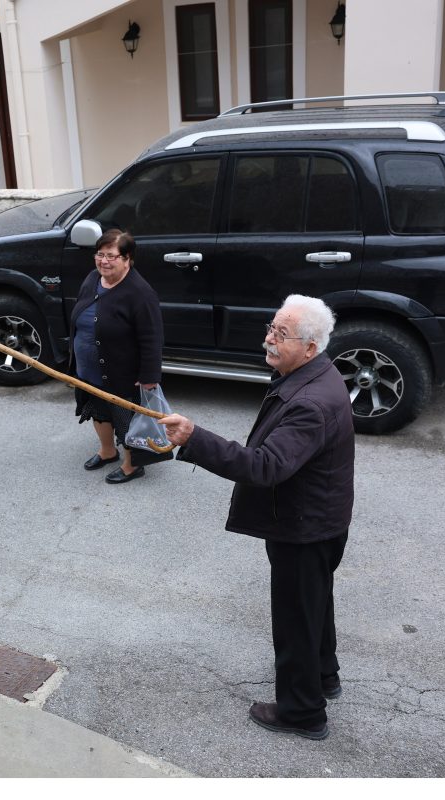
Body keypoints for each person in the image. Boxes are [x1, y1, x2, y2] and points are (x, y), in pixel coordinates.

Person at [157, 295, 354, 740]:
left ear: (310, 347)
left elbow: (265, 466)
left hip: (304, 527)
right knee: (314, 604)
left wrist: (193, 438)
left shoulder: (311, 402)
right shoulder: (317, 373)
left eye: (282, 335)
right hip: (319, 519)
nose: (269, 339)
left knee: (295, 618)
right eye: (271, 328)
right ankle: (323, 676)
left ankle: (303, 711)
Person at [69, 229, 166, 484]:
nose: (104, 261)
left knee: (126, 419)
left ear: (127, 258)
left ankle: (132, 464)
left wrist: (149, 376)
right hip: (90, 369)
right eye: (100, 255)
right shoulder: (92, 278)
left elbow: (152, 338)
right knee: (98, 410)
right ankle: (107, 451)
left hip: (123, 372)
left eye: (111, 256)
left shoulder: (140, 293)